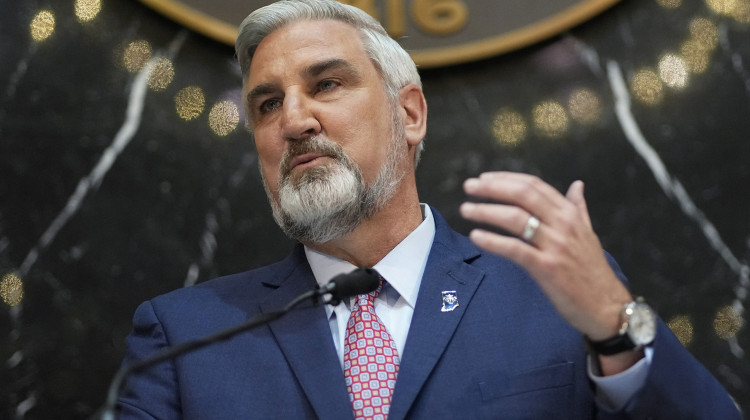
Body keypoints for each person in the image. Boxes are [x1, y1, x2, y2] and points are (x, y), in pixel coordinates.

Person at [117, 0, 740, 418]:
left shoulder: (552, 300)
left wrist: (616, 321)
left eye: (327, 84)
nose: (295, 120)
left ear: (409, 113)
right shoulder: (186, 339)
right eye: (266, 104)